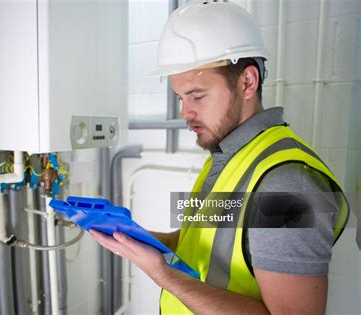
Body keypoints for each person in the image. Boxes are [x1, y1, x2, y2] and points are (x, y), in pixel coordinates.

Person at [90, 1, 349, 314]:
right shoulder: (229, 155)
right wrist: (144, 240)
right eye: (181, 98)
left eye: (197, 95)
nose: (185, 112)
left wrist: (161, 273)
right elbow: (209, 244)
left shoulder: (287, 186)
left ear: (247, 82)